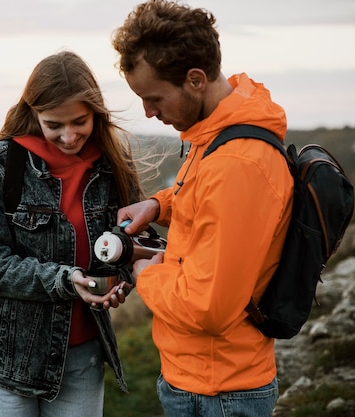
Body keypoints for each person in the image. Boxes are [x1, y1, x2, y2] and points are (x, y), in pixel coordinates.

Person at [111, 1, 294, 416]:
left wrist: (146, 271)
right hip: (196, 376)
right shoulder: (216, 134)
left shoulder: (237, 163)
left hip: (219, 390)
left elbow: (208, 308)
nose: (148, 112)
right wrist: (157, 206)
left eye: (154, 97)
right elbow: (205, 200)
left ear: (195, 80)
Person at [0, 50, 143, 417]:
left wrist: (121, 280)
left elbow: (131, 241)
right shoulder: (2, 165)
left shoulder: (112, 167)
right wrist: (61, 279)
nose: (69, 135)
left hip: (82, 358)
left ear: (96, 114)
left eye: (80, 121)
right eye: (54, 124)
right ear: (33, 113)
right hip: (8, 360)